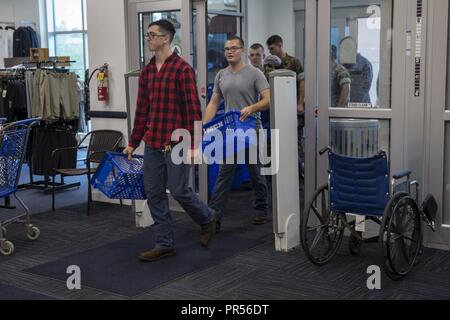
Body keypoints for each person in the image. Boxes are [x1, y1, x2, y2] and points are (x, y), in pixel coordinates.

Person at [124, 20, 216, 263]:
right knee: (153, 192)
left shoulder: (183, 69)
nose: (148, 38)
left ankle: (207, 218)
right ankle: (165, 243)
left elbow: (193, 110)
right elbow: (142, 109)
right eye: (147, 35)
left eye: (152, 35)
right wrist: (133, 142)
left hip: (177, 142)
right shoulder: (146, 71)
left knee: (179, 190)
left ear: (166, 38)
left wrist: (195, 145)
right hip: (153, 141)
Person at [203, 36, 270, 231]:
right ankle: (214, 216)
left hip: (252, 128)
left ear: (242, 51)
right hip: (231, 130)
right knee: (225, 173)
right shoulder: (221, 75)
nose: (229, 52)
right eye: (226, 49)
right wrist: (204, 125)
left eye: (233, 48)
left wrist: (252, 107)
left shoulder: (255, 73)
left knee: (256, 172)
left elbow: (268, 99)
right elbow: (214, 102)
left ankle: (261, 209)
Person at [265, 35, 305, 179]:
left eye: (272, 48)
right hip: (275, 109)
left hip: (292, 108)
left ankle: (298, 173)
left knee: (294, 142)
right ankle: (280, 174)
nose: (270, 52)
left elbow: (302, 82)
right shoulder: (269, 64)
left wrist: (300, 103)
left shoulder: (293, 62)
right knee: (276, 142)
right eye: (269, 49)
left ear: (280, 45)